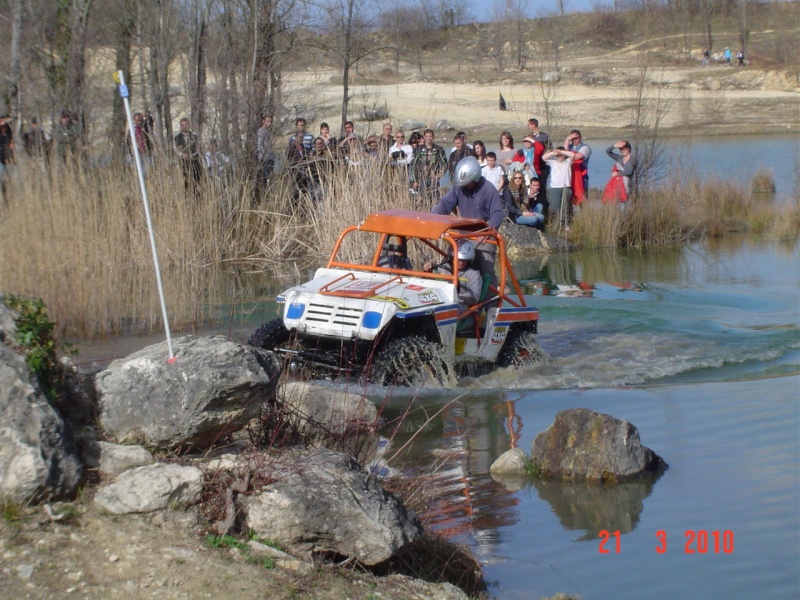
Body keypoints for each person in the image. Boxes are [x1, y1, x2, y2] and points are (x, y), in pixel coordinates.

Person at [431, 156, 505, 288]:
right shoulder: (458, 188)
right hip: (462, 237)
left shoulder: (489, 190)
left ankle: (492, 302)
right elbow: (444, 205)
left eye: (467, 183)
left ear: (475, 178)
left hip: (484, 238)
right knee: (446, 265)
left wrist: (488, 231)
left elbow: (498, 213)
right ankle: (450, 296)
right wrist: (431, 219)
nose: (464, 187)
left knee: (486, 269)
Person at [423, 239, 482, 315]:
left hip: (461, 305)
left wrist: (454, 296)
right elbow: (427, 283)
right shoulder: (442, 268)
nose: (461, 263)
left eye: (465, 260)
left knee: (446, 311)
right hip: (439, 300)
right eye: (459, 259)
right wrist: (427, 271)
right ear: (452, 258)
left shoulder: (473, 274)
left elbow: (474, 297)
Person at [542, 146, 577, 232]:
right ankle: (555, 224)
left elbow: (573, 155)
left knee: (565, 206)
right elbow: (544, 157)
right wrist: (554, 153)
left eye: (561, 155)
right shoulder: (552, 162)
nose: (560, 157)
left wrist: (562, 152)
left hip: (566, 187)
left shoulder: (568, 162)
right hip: (554, 188)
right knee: (554, 207)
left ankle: (566, 225)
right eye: (558, 156)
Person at [410, 128, 447, 202]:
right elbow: (413, 165)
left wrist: (439, 175)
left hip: (434, 179)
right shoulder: (419, 149)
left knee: (435, 199)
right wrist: (414, 180)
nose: (429, 138)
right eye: (427, 136)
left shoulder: (438, 149)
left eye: (430, 136)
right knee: (423, 199)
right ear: (424, 137)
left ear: (433, 137)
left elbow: (445, 164)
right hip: (422, 178)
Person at [174, 117, 203, 192]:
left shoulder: (194, 136)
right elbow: (176, 150)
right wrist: (182, 155)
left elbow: (198, 148)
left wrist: (191, 155)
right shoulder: (177, 138)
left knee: (196, 180)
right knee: (185, 180)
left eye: (186, 124)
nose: (185, 126)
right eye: (183, 125)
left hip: (194, 162)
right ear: (181, 126)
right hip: (183, 163)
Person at [566, 129, 591, 204]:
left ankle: (585, 213)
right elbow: (563, 156)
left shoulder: (585, 147)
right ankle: (570, 214)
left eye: (576, 138)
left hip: (581, 175)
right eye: (572, 139)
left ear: (580, 138)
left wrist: (566, 154)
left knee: (582, 196)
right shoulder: (569, 146)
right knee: (569, 197)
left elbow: (577, 157)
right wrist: (567, 140)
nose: (574, 141)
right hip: (569, 175)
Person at [256, 114, 276, 185]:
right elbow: (259, 145)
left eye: (270, 122)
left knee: (269, 177)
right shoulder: (261, 132)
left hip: (270, 158)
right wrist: (265, 155)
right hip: (264, 158)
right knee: (264, 177)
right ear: (263, 121)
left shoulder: (268, 132)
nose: (269, 123)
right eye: (268, 121)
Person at [0, 114, 13, 200]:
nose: (4, 126)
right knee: (3, 178)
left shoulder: (9, 133)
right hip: (1, 159)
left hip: (7, 159)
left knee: (7, 180)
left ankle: (7, 198)